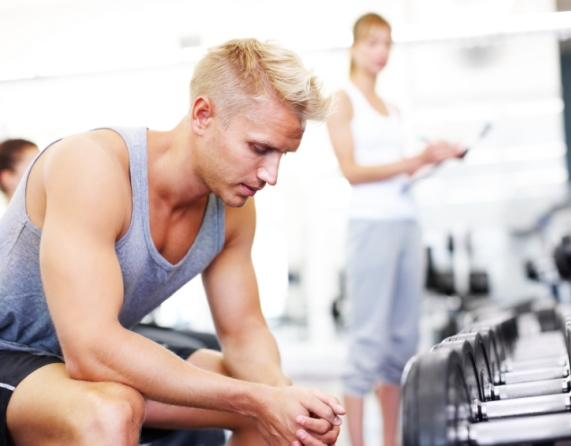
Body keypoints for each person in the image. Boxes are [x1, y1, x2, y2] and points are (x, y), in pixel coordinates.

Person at [0, 38, 345, 446]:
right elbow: (90, 349)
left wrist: (282, 397)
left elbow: (244, 329)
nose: (271, 174)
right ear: (203, 115)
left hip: (74, 357)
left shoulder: (234, 208)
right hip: (11, 349)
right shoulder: (92, 166)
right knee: (109, 411)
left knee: (270, 414)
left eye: (282, 155)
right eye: (259, 148)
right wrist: (258, 398)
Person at [326, 13, 464, 446]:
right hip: (371, 227)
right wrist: (414, 160)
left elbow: (401, 175)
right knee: (368, 340)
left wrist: (433, 159)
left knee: (403, 341)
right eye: (372, 44)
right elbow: (351, 170)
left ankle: (392, 442)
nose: (380, 52)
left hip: (406, 224)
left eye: (386, 44)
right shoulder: (342, 100)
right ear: (354, 48)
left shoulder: (394, 110)